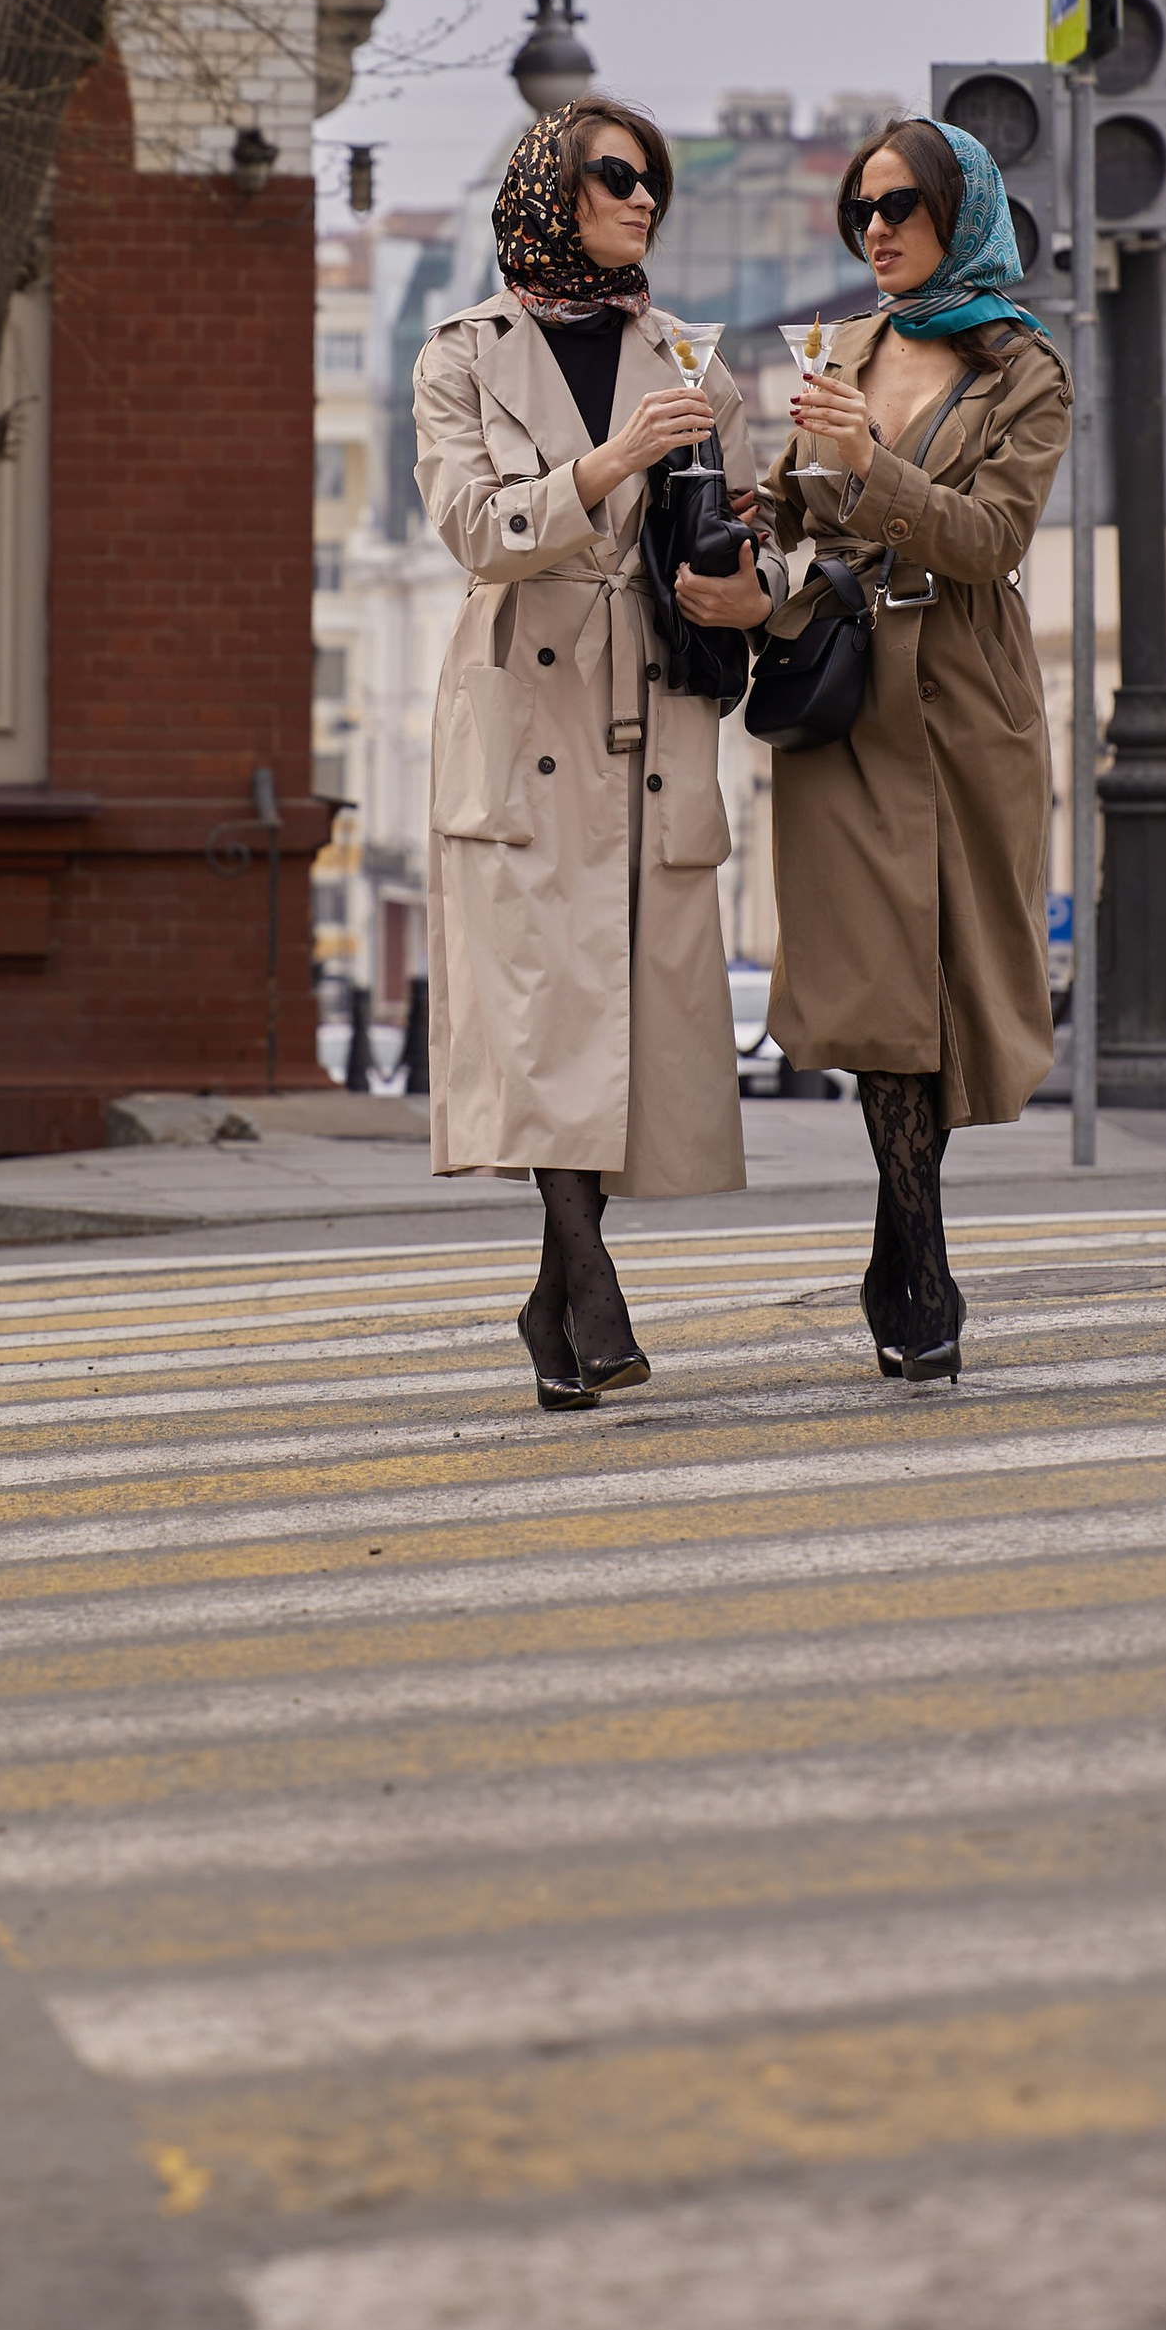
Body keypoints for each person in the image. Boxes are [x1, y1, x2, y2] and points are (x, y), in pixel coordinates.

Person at [413, 100, 777, 1408]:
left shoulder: (695, 360)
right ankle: (590, 1285)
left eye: (653, 185)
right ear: (548, 193)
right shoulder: (460, 356)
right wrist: (612, 461)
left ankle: (552, 1301)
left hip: (646, 723)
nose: (642, 203)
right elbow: (471, 526)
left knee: (622, 1019)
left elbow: (742, 524)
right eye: (617, 179)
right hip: (521, 718)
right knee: (541, 1016)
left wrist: (752, 586)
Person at [766, 115, 1074, 1385]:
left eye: (900, 205)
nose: (876, 229)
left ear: (962, 213)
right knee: (878, 992)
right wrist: (734, 521)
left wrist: (867, 460)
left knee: (945, 989)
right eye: (862, 209)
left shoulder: (1024, 372)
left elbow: (990, 539)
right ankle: (924, 1250)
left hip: (962, 702)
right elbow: (786, 505)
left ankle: (903, 1236)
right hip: (844, 702)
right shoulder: (839, 346)